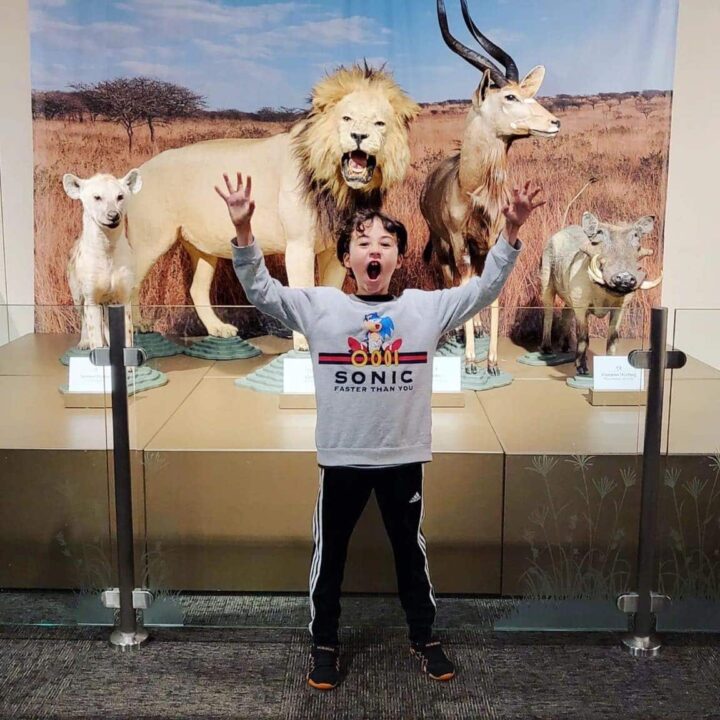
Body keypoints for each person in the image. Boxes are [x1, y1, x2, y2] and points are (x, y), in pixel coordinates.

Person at [216, 172, 544, 691]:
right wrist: (243, 231)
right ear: (347, 258)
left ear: (397, 259)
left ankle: (424, 637)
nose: (375, 251)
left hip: (401, 458)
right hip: (343, 458)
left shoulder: (424, 309)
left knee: (410, 555)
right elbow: (261, 291)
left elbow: (484, 290)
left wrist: (510, 232)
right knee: (331, 559)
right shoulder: (321, 307)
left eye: (386, 244)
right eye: (363, 243)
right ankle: (324, 643)